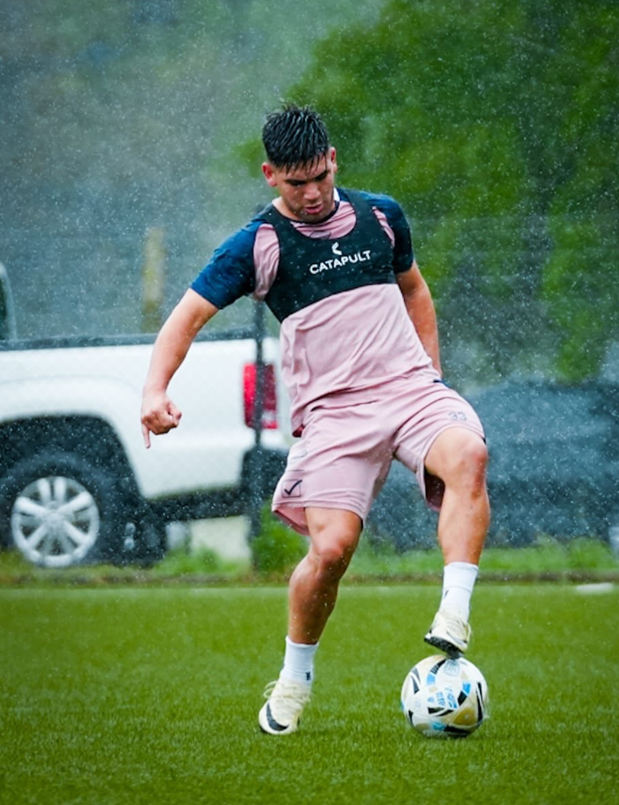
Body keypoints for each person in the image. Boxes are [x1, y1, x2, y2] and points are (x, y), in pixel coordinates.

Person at [140, 104, 490, 735]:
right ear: (270, 175)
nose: (310, 194)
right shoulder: (257, 246)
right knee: (331, 550)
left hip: (409, 389)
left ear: (333, 160)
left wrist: (431, 376)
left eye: (318, 178)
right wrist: (154, 390)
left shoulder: (382, 216)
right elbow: (185, 318)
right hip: (333, 415)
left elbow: (414, 288)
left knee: (468, 453)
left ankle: (455, 613)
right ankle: (296, 677)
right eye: (294, 183)